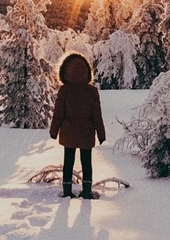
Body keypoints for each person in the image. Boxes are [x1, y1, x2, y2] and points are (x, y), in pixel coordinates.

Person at [49, 51, 106, 199]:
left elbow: (58, 113)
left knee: (68, 161)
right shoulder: (92, 91)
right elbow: (97, 116)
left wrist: (54, 131)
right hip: (87, 132)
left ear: (65, 71)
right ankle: (87, 191)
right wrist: (101, 134)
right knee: (86, 162)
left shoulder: (65, 90)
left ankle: (67, 191)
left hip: (68, 131)